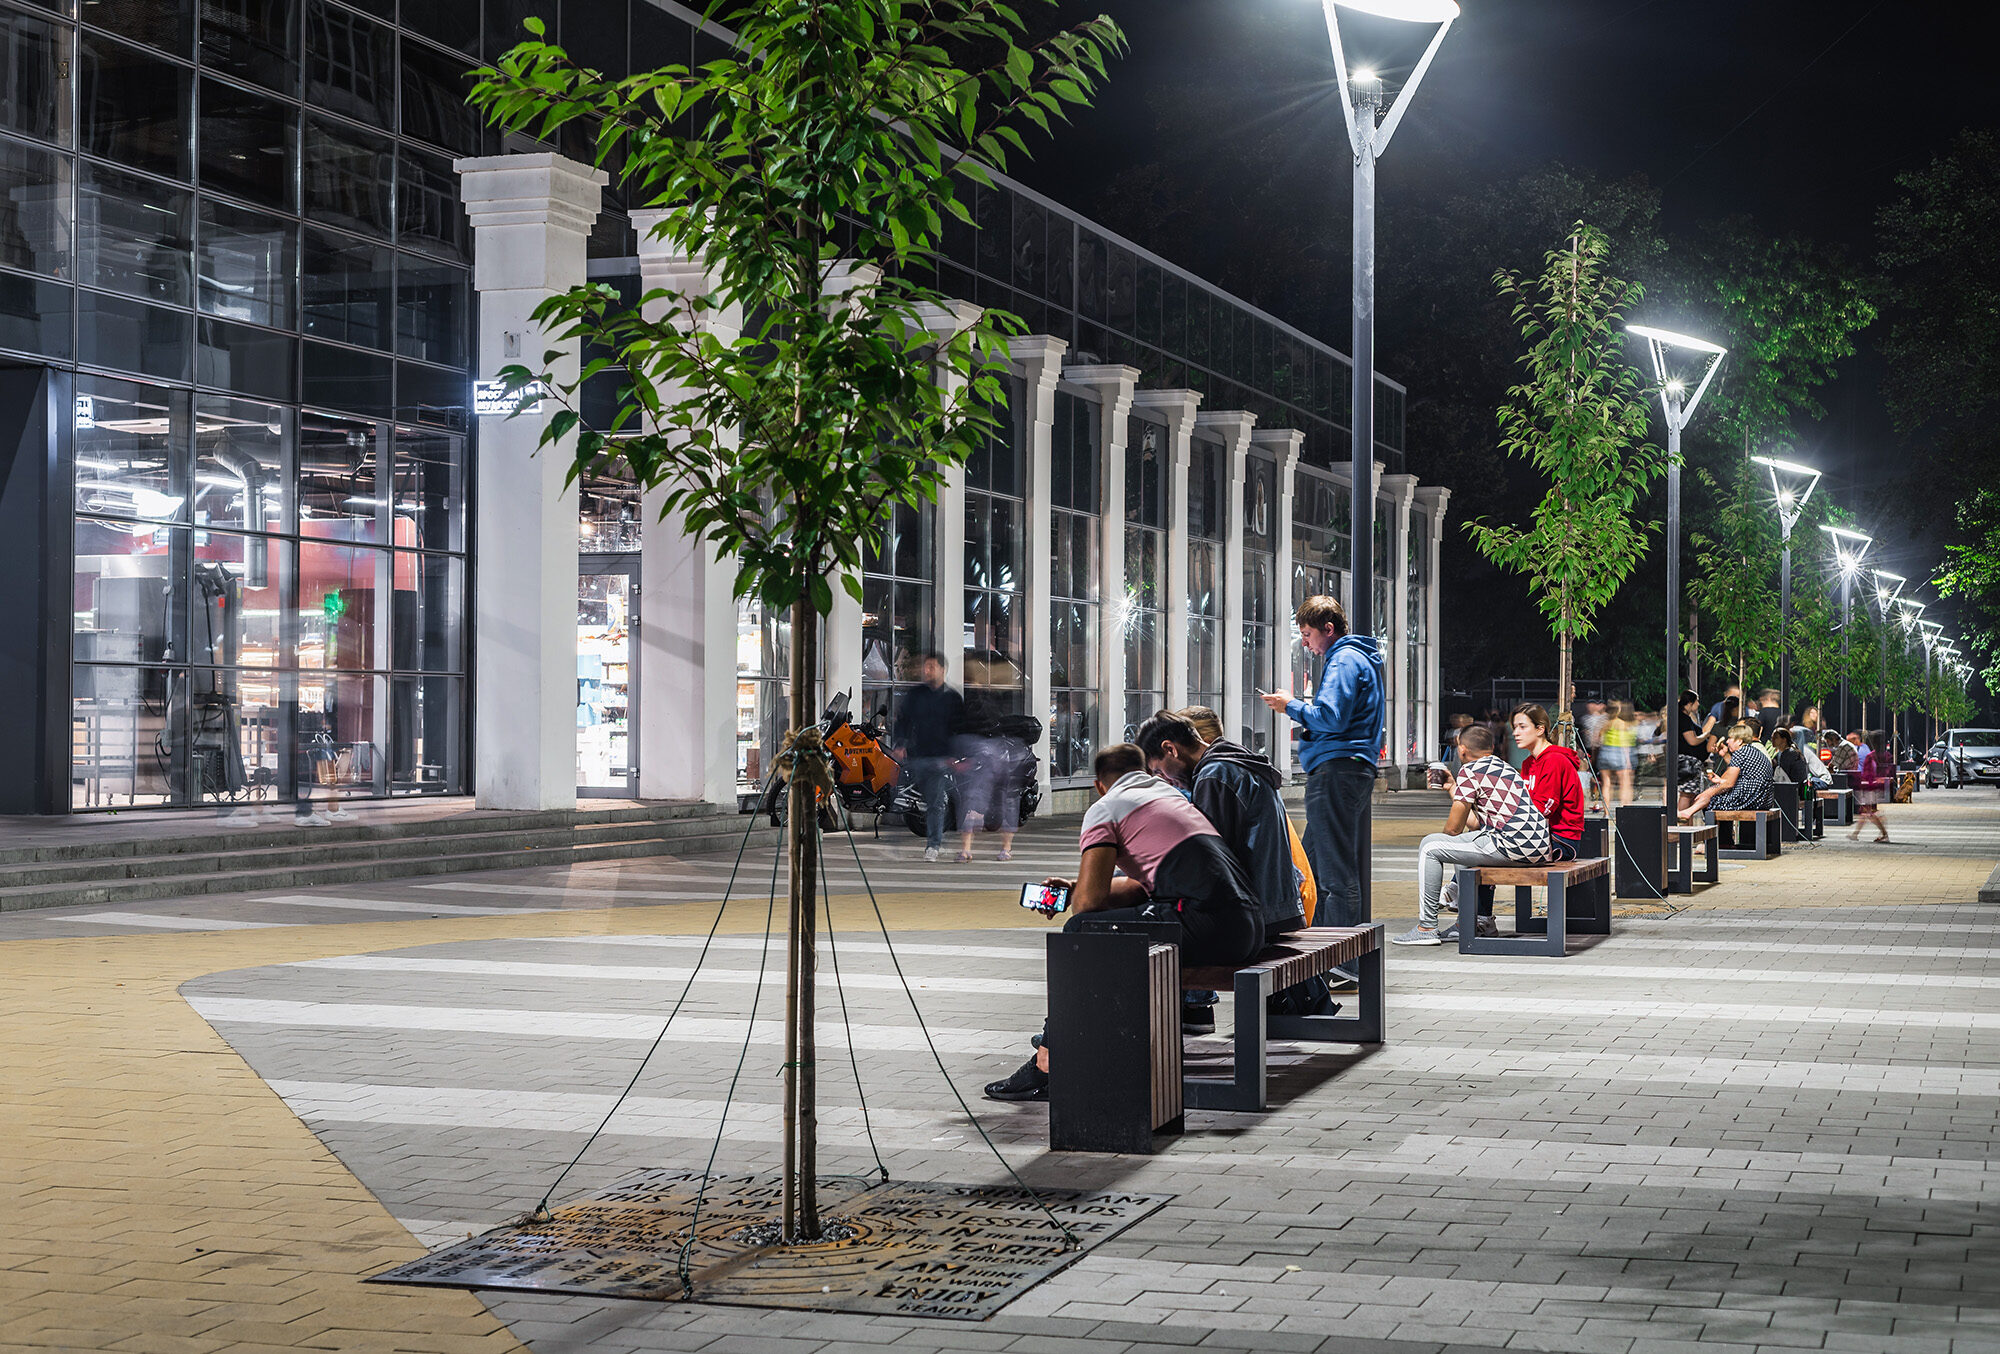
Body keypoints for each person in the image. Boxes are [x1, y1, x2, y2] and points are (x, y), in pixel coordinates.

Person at [982, 744, 1265, 1102]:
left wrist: (1080, 894)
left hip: (1207, 923)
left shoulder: (1106, 808)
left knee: (1080, 934)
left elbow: (1088, 906)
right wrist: (1074, 888)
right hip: (1245, 924)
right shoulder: (1171, 797)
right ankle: (1085, 1050)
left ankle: (1050, 1065)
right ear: (1146, 772)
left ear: (1100, 784)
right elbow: (1136, 887)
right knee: (1103, 931)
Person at [1137, 711, 1319, 1032]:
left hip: (1257, 917)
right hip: (1277, 906)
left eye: (1158, 770)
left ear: (1170, 749)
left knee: (1145, 921)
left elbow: (1210, 864)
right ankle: (1191, 1012)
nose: (1165, 779)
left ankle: (1181, 1017)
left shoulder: (1214, 776)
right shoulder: (1236, 762)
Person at [1263, 595, 1382, 988]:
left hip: (1337, 770)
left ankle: (1343, 963)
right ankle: (1314, 954)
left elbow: (1331, 715)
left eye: (1308, 634)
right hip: (1342, 769)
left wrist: (1290, 706)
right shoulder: (1353, 658)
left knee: (1334, 873)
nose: (1306, 643)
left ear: (1328, 630)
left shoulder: (1344, 660)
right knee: (1310, 866)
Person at [1392, 723, 1555, 946]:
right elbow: (1476, 824)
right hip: (1538, 846)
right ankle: (1473, 923)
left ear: (1462, 750)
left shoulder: (1470, 770)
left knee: (1430, 846)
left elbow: (1453, 829)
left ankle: (1426, 927)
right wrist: (1452, 788)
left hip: (1511, 844)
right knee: (1464, 845)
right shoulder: (1504, 767)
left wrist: (1445, 841)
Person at [891, 650, 964, 862]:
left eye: (931, 667)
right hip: (915, 756)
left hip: (938, 759)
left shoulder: (952, 698)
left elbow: (957, 728)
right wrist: (900, 744)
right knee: (898, 799)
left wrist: (955, 756)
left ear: (943, 669)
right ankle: (897, 842)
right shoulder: (915, 695)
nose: (927, 671)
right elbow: (903, 721)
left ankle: (933, 845)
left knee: (934, 802)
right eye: (925, 667)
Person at [953, 718, 1032, 863]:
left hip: (999, 781)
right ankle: (1000, 850)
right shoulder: (983, 745)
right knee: (987, 812)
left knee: (983, 812)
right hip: (992, 781)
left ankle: (969, 851)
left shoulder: (983, 746)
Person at [1513, 704, 1586, 860]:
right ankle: (1461, 885)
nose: (1515, 733)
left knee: (1488, 850)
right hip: (1538, 833)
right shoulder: (1528, 763)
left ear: (1540, 729)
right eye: (1514, 727)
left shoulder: (1554, 760)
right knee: (1478, 844)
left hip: (1561, 840)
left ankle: (1459, 885)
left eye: (1522, 727)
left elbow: (1546, 807)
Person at [1679, 721, 1776, 822]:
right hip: (1763, 799)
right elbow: (1737, 776)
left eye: (1730, 738)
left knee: (1712, 799)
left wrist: (1707, 793)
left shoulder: (1740, 753)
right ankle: (1689, 812)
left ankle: (1689, 813)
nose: (1727, 741)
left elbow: (1728, 783)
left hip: (1751, 798)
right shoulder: (1752, 751)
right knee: (1715, 794)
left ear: (1739, 741)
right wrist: (1721, 780)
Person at [1674, 690, 1709, 812]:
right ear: (1689, 703)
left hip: (1689, 760)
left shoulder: (1683, 718)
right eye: (1697, 701)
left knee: (1690, 794)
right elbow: (1692, 741)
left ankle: (1686, 823)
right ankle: (1683, 823)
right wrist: (1706, 735)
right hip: (1687, 761)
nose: (1698, 704)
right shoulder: (1683, 719)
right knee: (1687, 794)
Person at [1598, 701, 1638, 808]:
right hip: (1618, 753)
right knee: (1624, 783)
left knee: (1606, 784)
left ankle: (1606, 813)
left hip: (1605, 752)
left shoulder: (1605, 723)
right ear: (1618, 711)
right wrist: (1628, 760)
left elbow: (1598, 739)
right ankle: (1624, 808)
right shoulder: (1621, 723)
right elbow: (1624, 742)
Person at [1852, 730, 1889, 842]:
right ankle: (1855, 834)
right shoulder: (1886, 755)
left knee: (1869, 812)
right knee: (1866, 812)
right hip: (1877, 787)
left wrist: (1864, 784)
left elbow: (1867, 774)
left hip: (1869, 787)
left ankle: (1884, 834)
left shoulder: (1870, 756)